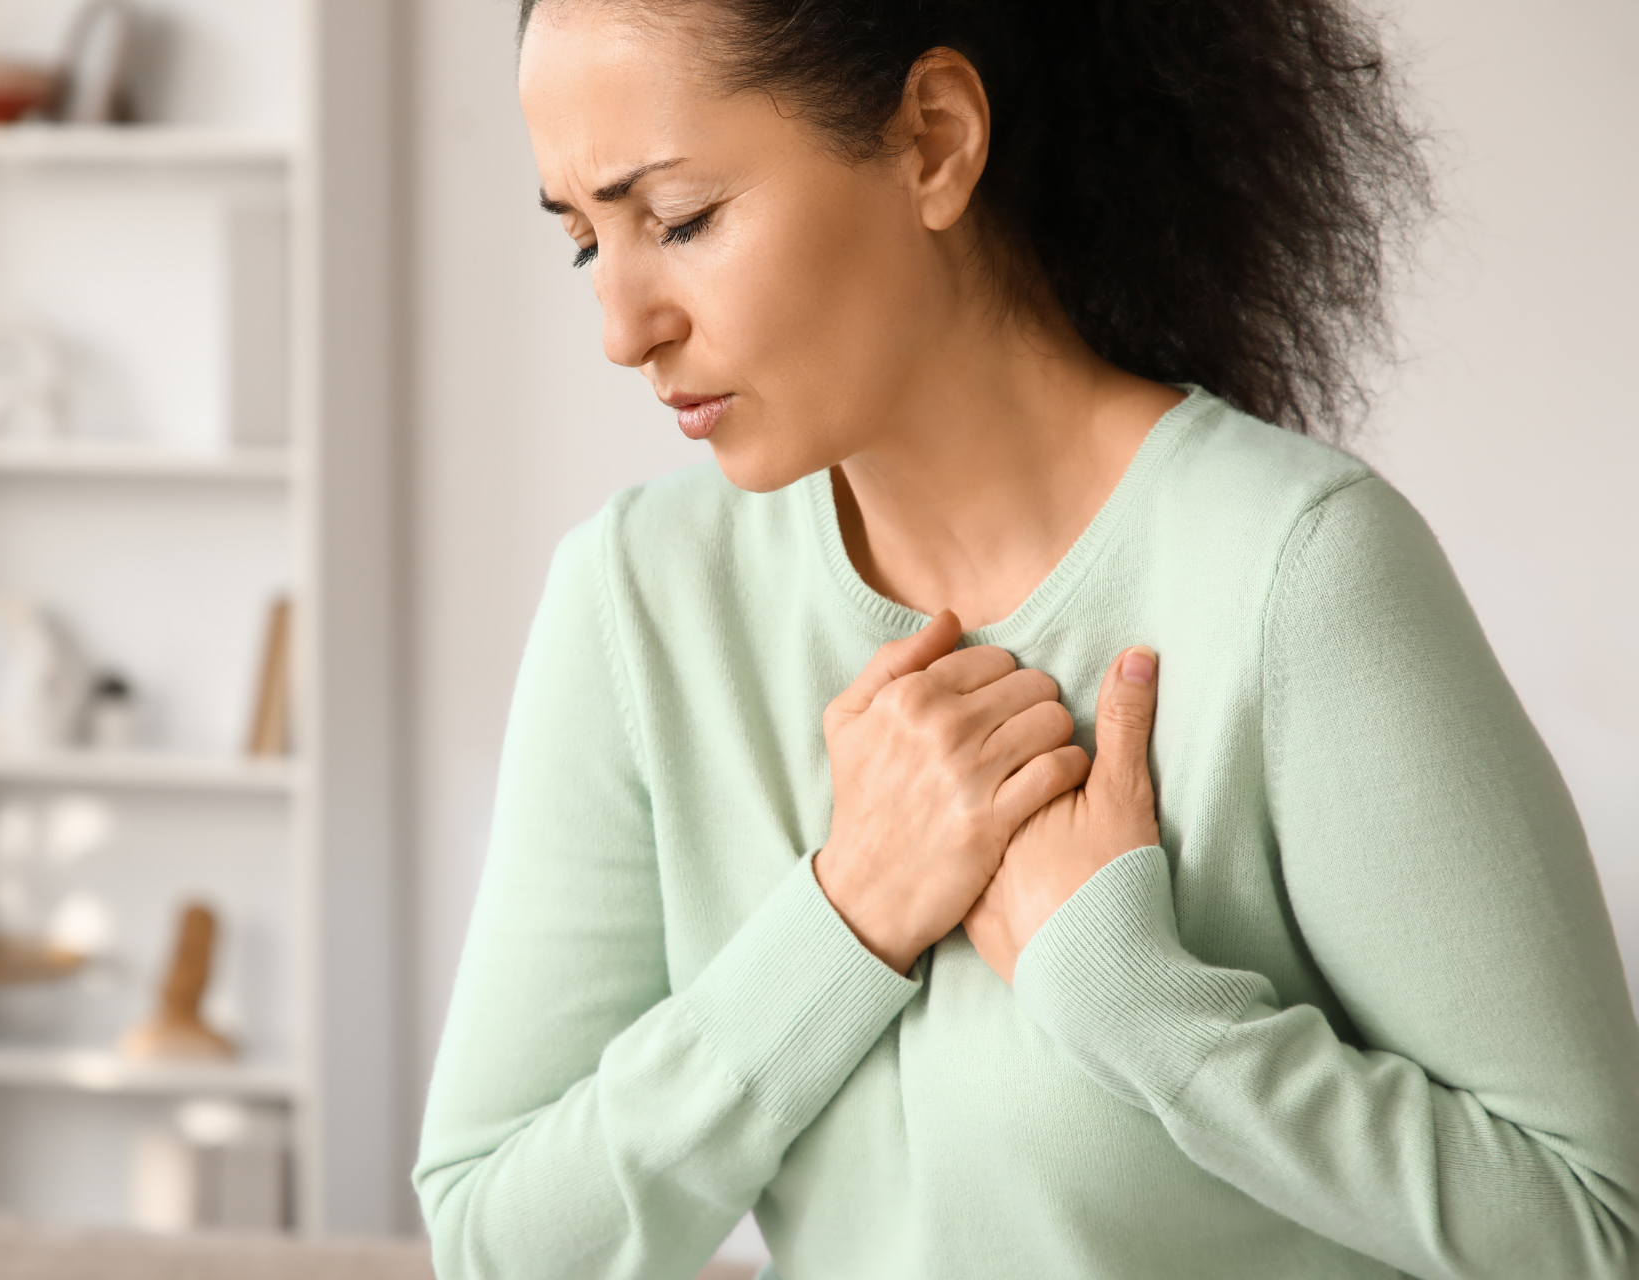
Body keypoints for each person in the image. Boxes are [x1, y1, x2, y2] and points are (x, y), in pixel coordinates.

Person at [414, 0, 1639, 1275]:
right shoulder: (639, 598)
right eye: (584, 240)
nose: (623, 330)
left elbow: (1591, 1230)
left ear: (935, 140)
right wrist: (842, 916)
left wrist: (1142, 1007)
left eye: (679, 219)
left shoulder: (1293, 572)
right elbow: (498, 1242)